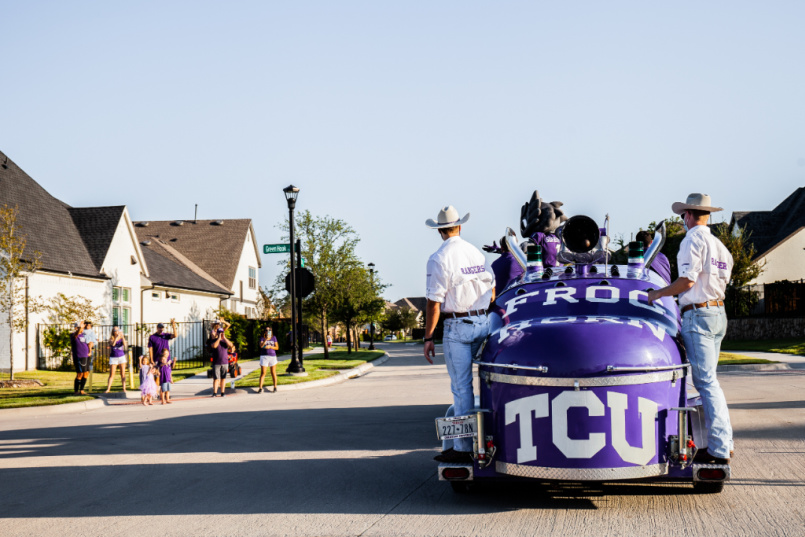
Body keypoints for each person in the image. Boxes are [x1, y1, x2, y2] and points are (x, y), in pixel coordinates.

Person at [648, 193, 734, 465]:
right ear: (706, 215)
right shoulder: (720, 245)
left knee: (706, 384)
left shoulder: (692, 240)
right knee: (710, 382)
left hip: (698, 314)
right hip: (718, 312)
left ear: (687, 215)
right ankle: (724, 444)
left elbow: (687, 281)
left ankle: (719, 449)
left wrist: (657, 294)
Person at [423, 205, 495, 464]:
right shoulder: (475, 253)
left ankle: (463, 447)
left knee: (462, 389)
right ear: (459, 226)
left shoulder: (439, 258)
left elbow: (434, 302)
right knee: (489, 382)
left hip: (458, 327)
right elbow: (493, 288)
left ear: (440, 230)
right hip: (483, 322)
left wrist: (429, 337)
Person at [148, 319, 177, 398]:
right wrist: (151, 359)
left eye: (162, 328)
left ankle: (165, 394)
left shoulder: (165, 335)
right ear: (157, 328)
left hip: (166, 360)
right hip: (157, 359)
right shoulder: (152, 337)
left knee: (166, 376)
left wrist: (173, 326)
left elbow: (175, 335)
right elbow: (150, 348)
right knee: (157, 376)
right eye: (160, 327)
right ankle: (156, 393)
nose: (161, 329)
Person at [207, 318, 233, 397]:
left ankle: (222, 392)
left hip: (224, 361)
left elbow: (231, 345)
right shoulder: (213, 334)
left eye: (218, 324)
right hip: (216, 361)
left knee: (223, 378)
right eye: (216, 324)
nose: (217, 325)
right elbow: (214, 344)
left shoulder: (224, 339)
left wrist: (223, 321)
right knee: (216, 378)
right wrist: (218, 337)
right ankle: (214, 393)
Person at [70, 321, 91, 395]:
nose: (83, 326)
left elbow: (88, 343)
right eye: (81, 326)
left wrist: (89, 351)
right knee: (80, 373)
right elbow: (76, 334)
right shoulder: (73, 335)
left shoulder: (83, 335)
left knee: (86, 373)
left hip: (85, 356)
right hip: (79, 357)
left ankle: (82, 390)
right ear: (77, 328)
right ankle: (76, 391)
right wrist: (80, 326)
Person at [105, 326, 128, 394]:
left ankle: (124, 388)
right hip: (113, 357)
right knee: (112, 374)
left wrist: (122, 337)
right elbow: (113, 344)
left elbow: (125, 344)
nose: (117, 331)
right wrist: (117, 337)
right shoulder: (111, 339)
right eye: (115, 330)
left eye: (118, 330)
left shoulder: (121, 338)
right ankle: (108, 389)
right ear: (113, 332)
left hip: (121, 357)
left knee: (123, 373)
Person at [258, 326, 279, 393]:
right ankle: (260, 388)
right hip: (264, 357)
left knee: (273, 372)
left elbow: (277, 347)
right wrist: (266, 339)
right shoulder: (262, 338)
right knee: (263, 372)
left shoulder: (274, 338)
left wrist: (270, 347)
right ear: (265, 331)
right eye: (267, 330)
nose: (268, 331)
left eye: (270, 330)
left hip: (272, 356)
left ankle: (275, 387)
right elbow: (261, 346)